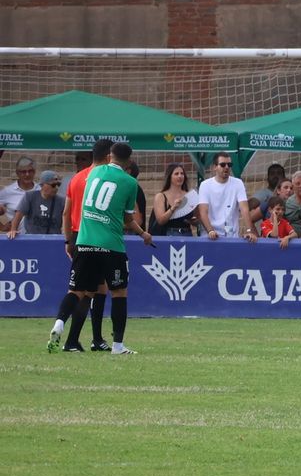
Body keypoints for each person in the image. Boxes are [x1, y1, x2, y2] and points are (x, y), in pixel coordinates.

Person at [61, 142, 153, 355]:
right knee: (118, 292)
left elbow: (67, 212)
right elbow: (129, 218)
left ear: (109, 156)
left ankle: (64, 328)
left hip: (83, 238)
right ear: (129, 161)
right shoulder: (130, 183)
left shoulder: (91, 174)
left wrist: (68, 240)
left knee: (81, 290)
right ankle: (115, 345)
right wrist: (143, 234)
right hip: (111, 242)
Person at [49, 139, 113, 353]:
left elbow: (66, 213)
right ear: (108, 156)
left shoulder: (76, 179)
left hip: (76, 235)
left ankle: (75, 340)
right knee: (85, 290)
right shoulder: (103, 179)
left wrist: (68, 240)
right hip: (96, 236)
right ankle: (83, 335)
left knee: (91, 289)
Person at [197, 153, 253, 242]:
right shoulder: (205, 185)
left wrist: (249, 231)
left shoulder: (238, 183)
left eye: (229, 165)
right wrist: (210, 230)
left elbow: (244, 209)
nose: (227, 167)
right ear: (215, 167)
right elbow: (203, 212)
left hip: (231, 236)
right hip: (210, 237)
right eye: (223, 165)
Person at [7, 169, 64, 237]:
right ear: (42, 185)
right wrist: (13, 230)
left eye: (58, 185)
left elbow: (67, 221)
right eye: (53, 185)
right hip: (33, 239)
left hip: (52, 240)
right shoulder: (30, 197)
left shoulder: (61, 201)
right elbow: (18, 215)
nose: (56, 188)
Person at [151, 162, 197, 236]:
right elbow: (160, 220)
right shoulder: (161, 196)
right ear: (170, 177)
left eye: (182, 173)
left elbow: (197, 222)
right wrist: (173, 208)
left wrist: (193, 221)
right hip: (168, 234)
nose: (180, 176)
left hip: (187, 233)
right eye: (176, 174)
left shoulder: (189, 196)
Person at [1, 155, 39, 222]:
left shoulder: (40, 190)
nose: (27, 174)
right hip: (15, 231)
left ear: (34, 172)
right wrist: (2, 227)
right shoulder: (8, 191)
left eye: (30, 171)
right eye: (23, 172)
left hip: (37, 232)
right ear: (17, 173)